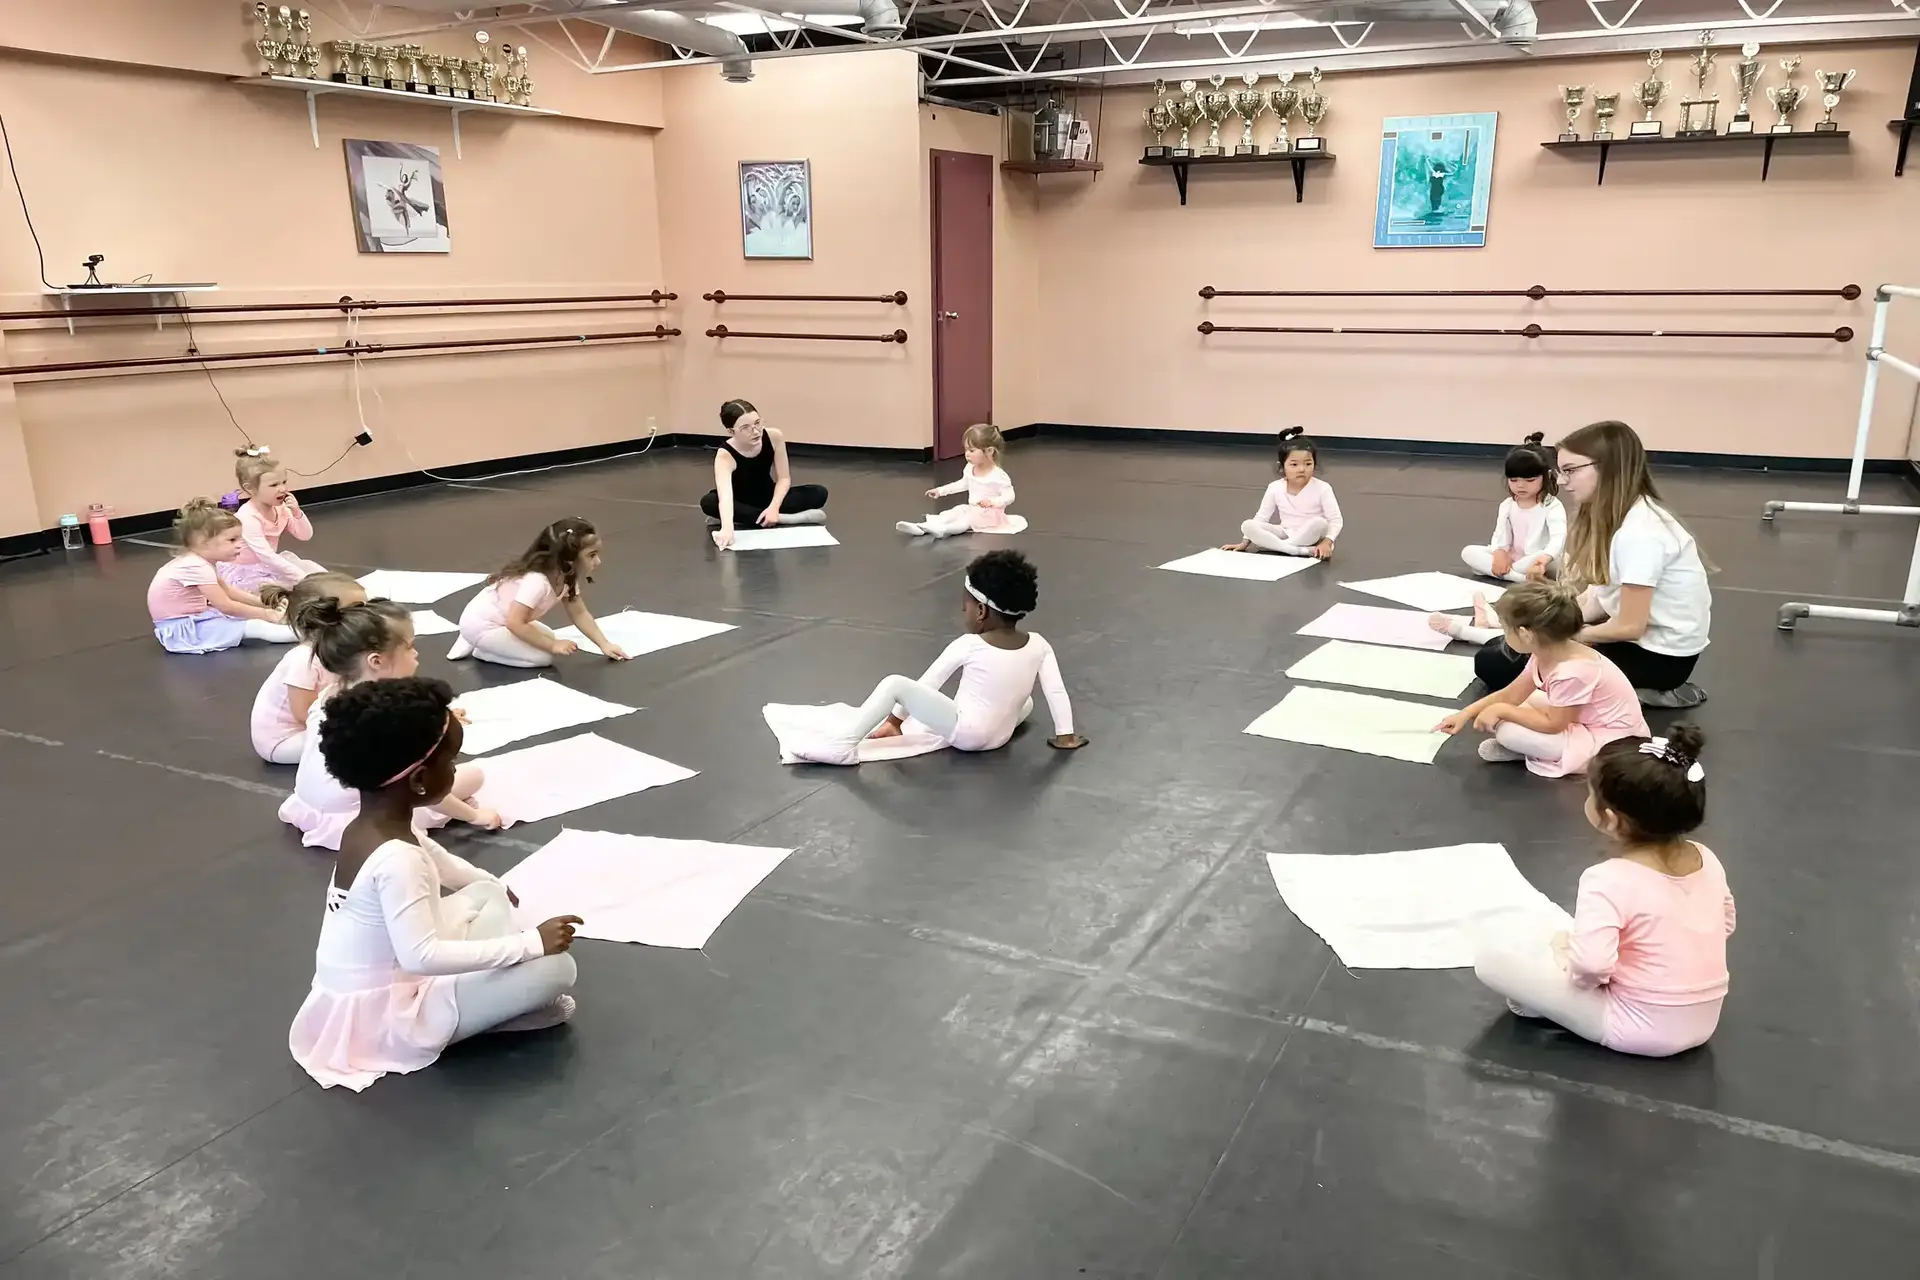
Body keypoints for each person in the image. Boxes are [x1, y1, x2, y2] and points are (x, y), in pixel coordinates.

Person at [287, 676, 582, 1091]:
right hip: (388, 1014)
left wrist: (491, 880)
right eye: (453, 763)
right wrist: (530, 945)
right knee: (557, 969)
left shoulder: (373, 824)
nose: (457, 770)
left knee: (486, 893)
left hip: (382, 981)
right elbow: (420, 957)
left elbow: (440, 861)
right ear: (421, 779)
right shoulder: (397, 858)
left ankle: (491, 997)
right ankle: (490, 1012)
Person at [1472, 725, 1733, 1058]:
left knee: (1491, 961)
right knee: (1571, 938)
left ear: (1610, 819)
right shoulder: (1706, 858)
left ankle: (1548, 1008)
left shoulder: (1608, 879)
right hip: (1703, 1021)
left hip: (1638, 1029)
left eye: (1590, 793)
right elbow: (1724, 924)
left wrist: (1569, 975)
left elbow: (1593, 968)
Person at [1470, 421, 1711, 708]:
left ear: (1607, 468)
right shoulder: (1618, 518)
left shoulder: (1640, 533)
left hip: (1659, 659)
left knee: (1495, 665)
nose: (1561, 481)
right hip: (1635, 642)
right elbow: (1599, 597)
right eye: (1561, 471)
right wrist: (1552, 624)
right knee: (1501, 652)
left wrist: (1567, 635)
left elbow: (1630, 626)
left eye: (1570, 470)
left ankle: (1641, 692)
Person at [786, 550, 1088, 765]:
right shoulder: (1039, 643)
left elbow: (928, 683)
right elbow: (1056, 691)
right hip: (1000, 735)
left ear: (981, 611)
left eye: (965, 605)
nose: (963, 611)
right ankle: (1031, 729)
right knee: (1028, 701)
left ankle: (842, 743)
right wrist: (1065, 736)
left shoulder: (970, 644)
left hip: (968, 735)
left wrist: (894, 721)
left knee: (895, 683)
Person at [280, 598, 500, 850]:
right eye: (409, 647)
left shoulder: (331, 693)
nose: (416, 653)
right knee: (473, 776)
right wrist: (475, 817)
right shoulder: (386, 720)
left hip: (310, 804)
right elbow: (422, 788)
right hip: (356, 816)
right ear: (376, 661)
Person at [1436, 581, 1647, 776]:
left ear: (1526, 634)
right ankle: (1536, 749)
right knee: (1526, 701)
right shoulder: (1548, 652)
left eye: (1506, 629)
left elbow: (1554, 724)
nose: (1504, 635)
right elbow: (1512, 694)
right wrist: (1465, 714)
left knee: (1508, 733)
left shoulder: (1572, 671)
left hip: (1612, 743)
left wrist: (1502, 710)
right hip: (1585, 720)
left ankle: (1541, 752)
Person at [449, 517, 629, 667]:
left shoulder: (566, 576)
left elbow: (580, 613)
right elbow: (515, 623)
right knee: (543, 658)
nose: (598, 562)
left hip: (499, 619)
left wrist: (604, 645)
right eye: (592, 555)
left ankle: (478, 639)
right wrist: (552, 646)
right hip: (485, 624)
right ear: (568, 558)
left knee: (549, 636)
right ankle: (481, 648)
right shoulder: (537, 582)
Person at [146, 498, 297, 653]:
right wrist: (268, 614)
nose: (240, 544)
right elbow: (226, 605)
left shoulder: (199, 561)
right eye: (232, 540)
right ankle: (308, 634)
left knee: (244, 616)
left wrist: (263, 604)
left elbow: (227, 590)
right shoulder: (196, 566)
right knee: (255, 626)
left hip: (192, 618)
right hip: (184, 629)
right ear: (203, 541)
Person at [251, 571, 363, 764]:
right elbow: (304, 713)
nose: (368, 615)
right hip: (282, 742)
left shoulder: (337, 650)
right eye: (358, 609)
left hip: (308, 727)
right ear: (325, 617)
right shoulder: (304, 660)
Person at [702, 399, 829, 549]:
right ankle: (783, 519)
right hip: (741, 501)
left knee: (819, 492)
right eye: (745, 428)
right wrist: (727, 530)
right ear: (731, 432)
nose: (755, 431)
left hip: (768, 496)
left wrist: (774, 508)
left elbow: (784, 478)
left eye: (757, 423)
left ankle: (752, 518)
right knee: (709, 502)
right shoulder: (725, 455)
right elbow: (726, 497)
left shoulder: (774, 437)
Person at [1460, 433, 1566, 584]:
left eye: (1530, 480)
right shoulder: (1507, 505)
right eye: (1514, 480)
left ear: (1546, 476)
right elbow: (1499, 535)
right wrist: (1499, 554)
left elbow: (1558, 540)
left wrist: (1544, 558)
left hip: (1540, 559)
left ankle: (1501, 572)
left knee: (1543, 562)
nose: (1521, 485)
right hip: (1513, 557)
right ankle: (1522, 578)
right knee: (1468, 552)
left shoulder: (1552, 506)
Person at [1220, 427, 1342, 559]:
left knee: (1319, 523)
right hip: (1285, 533)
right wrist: (1244, 543)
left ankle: (1282, 547)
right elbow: (1262, 517)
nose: (1302, 469)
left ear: (1314, 464)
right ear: (1282, 466)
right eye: (1294, 465)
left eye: (1308, 464)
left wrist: (1327, 542)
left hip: (1314, 536)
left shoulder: (1323, 488)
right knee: (1247, 525)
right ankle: (1296, 550)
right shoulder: (1275, 487)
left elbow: (1335, 521)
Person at [219, 449, 326, 593]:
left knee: (319, 576)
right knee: (282, 591)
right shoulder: (248, 517)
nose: (282, 489)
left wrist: (297, 512)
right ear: (250, 489)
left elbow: (305, 535)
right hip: (248, 571)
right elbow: (266, 555)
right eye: (274, 485)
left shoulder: (281, 508)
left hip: (268, 565)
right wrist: (302, 579)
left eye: (284, 482)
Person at [897, 423, 1026, 539]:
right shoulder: (970, 468)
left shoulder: (998, 475)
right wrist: (941, 491)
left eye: (971, 450)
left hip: (988, 516)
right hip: (972, 508)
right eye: (966, 450)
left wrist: (992, 502)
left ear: (989, 451)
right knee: (955, 512)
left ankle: (942, 530)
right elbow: (962, 484)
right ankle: (921, 526)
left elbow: (1010, 496)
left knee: (964, 522)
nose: (967, 454)